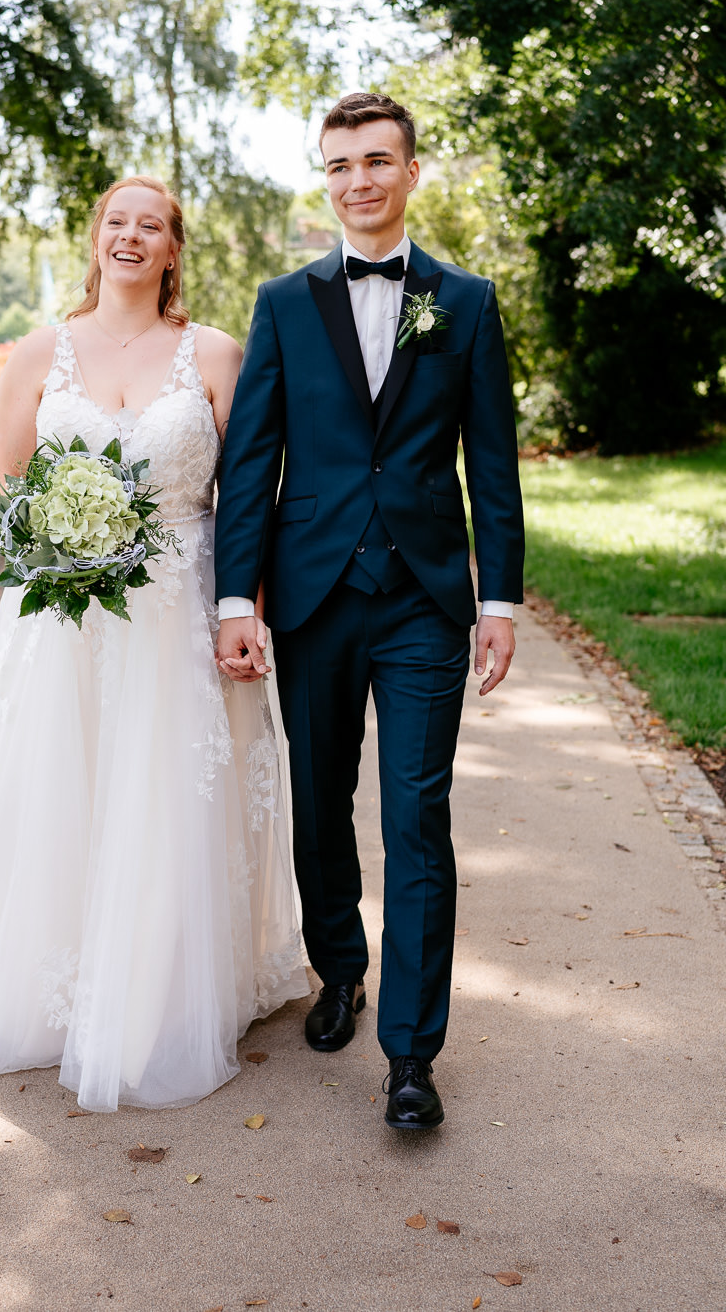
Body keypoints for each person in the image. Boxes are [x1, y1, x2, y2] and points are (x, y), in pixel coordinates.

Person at [0, 175, 309, 1112]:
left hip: (181, 605)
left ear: (172, 249)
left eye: (149, 225)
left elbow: (249, 501)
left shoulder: (216, 353)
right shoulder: (39, 355)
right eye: (116, 221)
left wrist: (247, 611)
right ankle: (46, 977)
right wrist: (66, 548)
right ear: (95, 239)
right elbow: (7, 488)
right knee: (61, 784)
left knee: (168, 793)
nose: (130, 235)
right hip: (63, 615)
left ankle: (165, 990)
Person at [214, 94, 524, 1131]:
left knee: (416, 820)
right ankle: (338, 967)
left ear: (411, 172)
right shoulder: (284, 302)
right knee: (318, 803)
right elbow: (251, 458)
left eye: (377, 160)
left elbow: (491, 462)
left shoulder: (466, 302)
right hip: (309, 595)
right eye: (339, 163)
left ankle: (411, 1054)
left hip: (427, 601)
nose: (358, 179)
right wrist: (233, 597)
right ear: (326, 177)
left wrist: (498, 599)